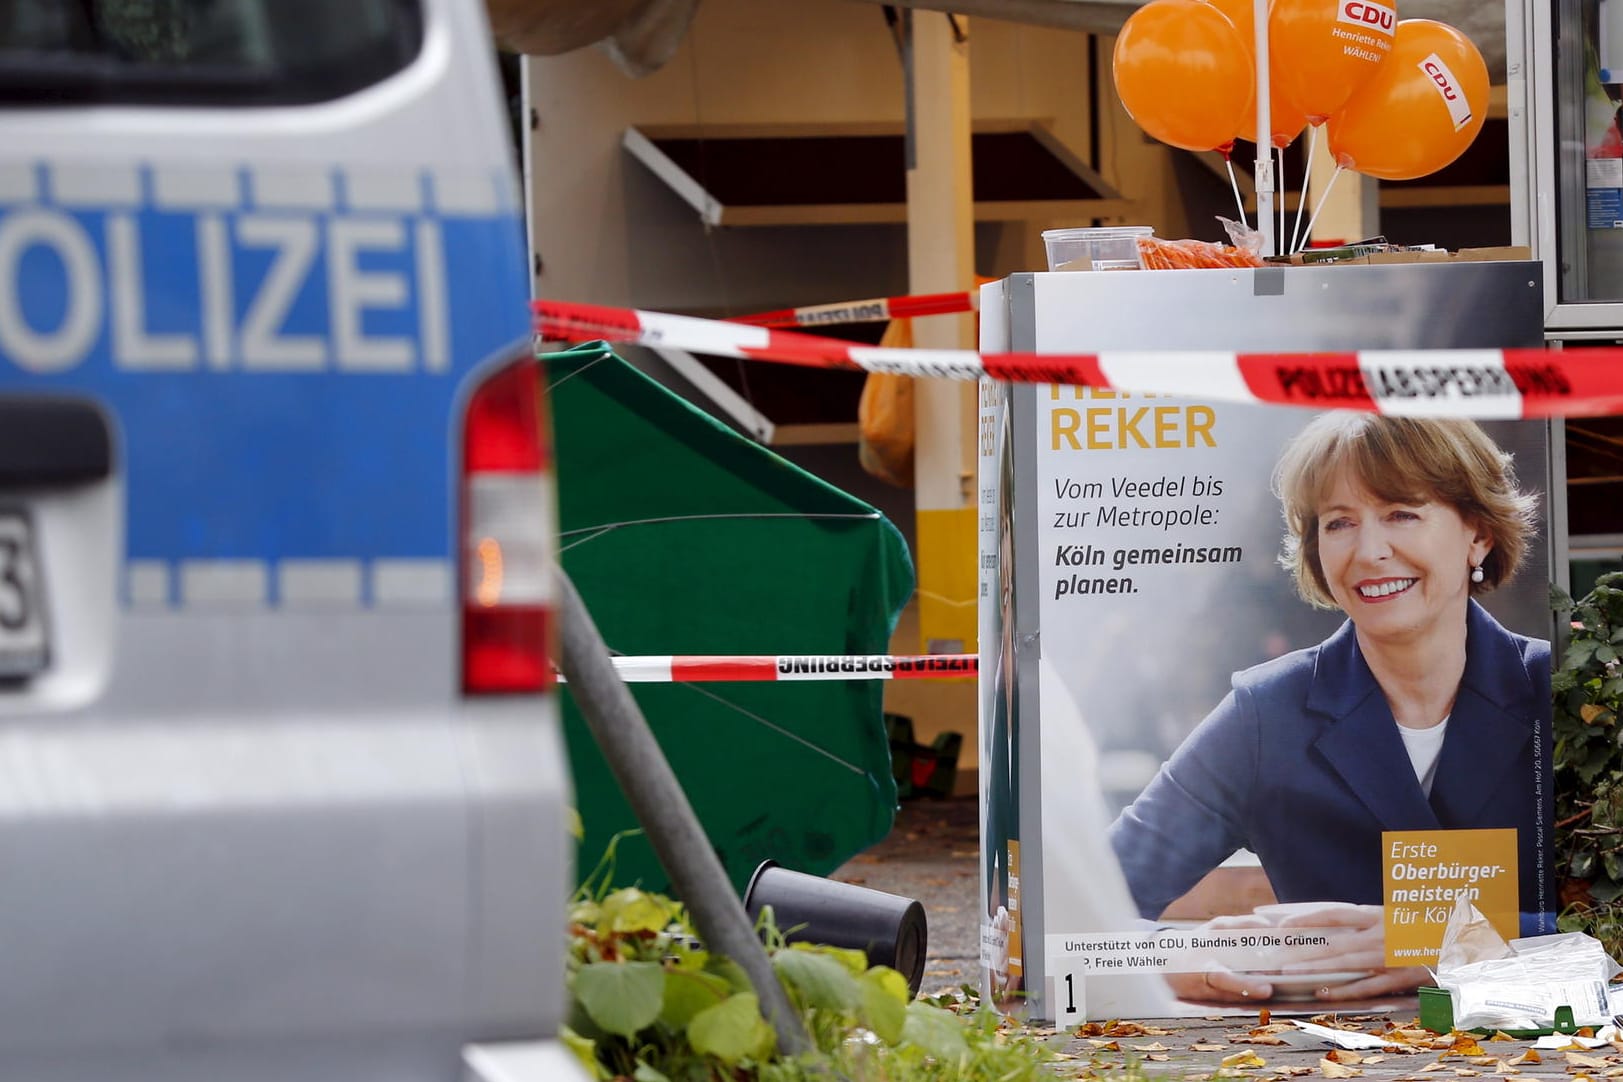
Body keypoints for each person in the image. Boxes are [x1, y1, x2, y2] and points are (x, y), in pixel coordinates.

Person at [1107, 413, 1552, 1004]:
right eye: (1339, 522)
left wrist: (1461, 942)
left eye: (1402, 514)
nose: (1369, 551)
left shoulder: (1564, 692)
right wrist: (1172, 954)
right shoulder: (1266, 713)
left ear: (1480, 533)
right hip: (1312, 1055)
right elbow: (1083, 903)